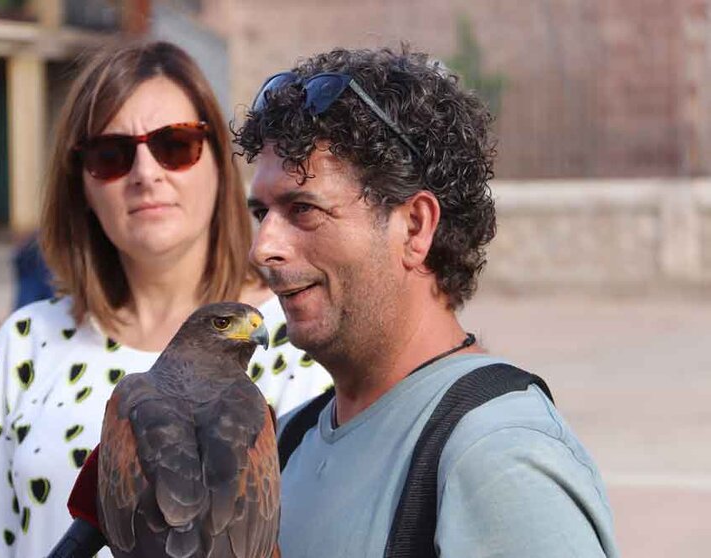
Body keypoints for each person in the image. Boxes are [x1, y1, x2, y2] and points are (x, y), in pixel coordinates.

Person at [0, 41, 331, 558]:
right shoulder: (27, 344)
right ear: (81, 186)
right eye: (111, 155)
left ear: (220, 166)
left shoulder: (302, 338)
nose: (146, 173)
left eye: (176, 145)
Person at [234, 47, 620, 557]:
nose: (264, 247)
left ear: (414, 227)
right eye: (262, 212)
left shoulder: (497, 458)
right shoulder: (291, 440)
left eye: (303, 209)